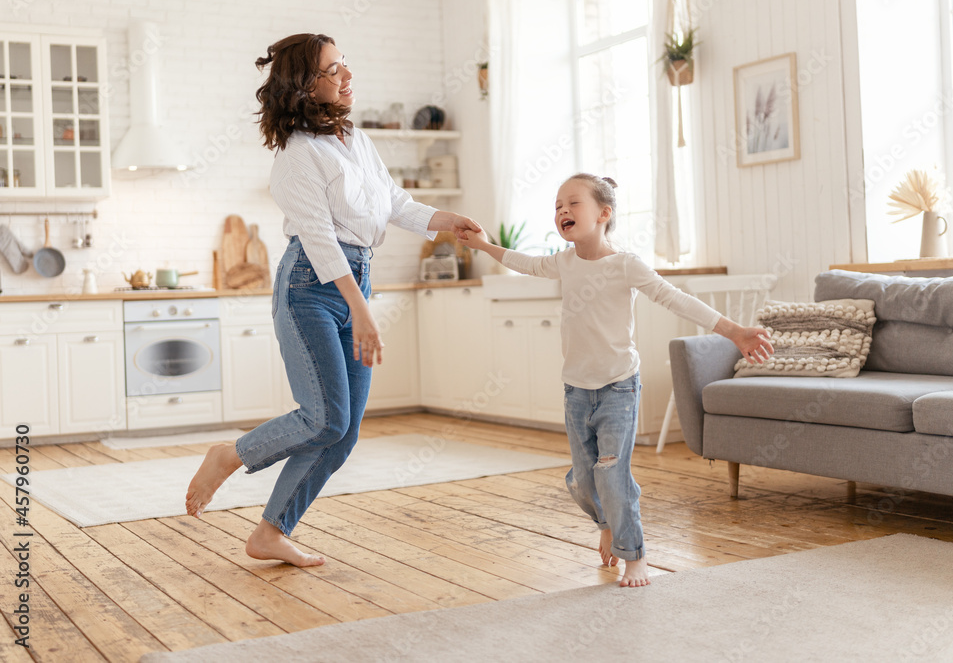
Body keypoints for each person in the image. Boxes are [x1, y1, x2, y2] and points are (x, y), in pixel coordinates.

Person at [185, 33, 483, 567]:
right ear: (306, 84)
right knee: (324, 418)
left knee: (342, 435)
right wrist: (362, 308)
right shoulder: (297, 157)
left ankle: (270, 532)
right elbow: (321, 242)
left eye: (345, 64)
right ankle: (229, 456)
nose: (347, 75)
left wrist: (445, 222)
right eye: (333, 68)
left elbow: (395, 203)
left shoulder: (355, 141)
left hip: (356, 284)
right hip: (311, 290)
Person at [459, 174, 773, 586]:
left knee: (612, 474)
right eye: (557, 206)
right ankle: (607, 519)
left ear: (604, 213)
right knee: (583, 478)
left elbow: (675, 298)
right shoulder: (562, 261)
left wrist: (735, 331)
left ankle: (634, 555)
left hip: (618, 388)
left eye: (573, 203)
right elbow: (524, 262)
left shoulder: (626, 264)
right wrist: (482, 244)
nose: (562, 211)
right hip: (575, 389)